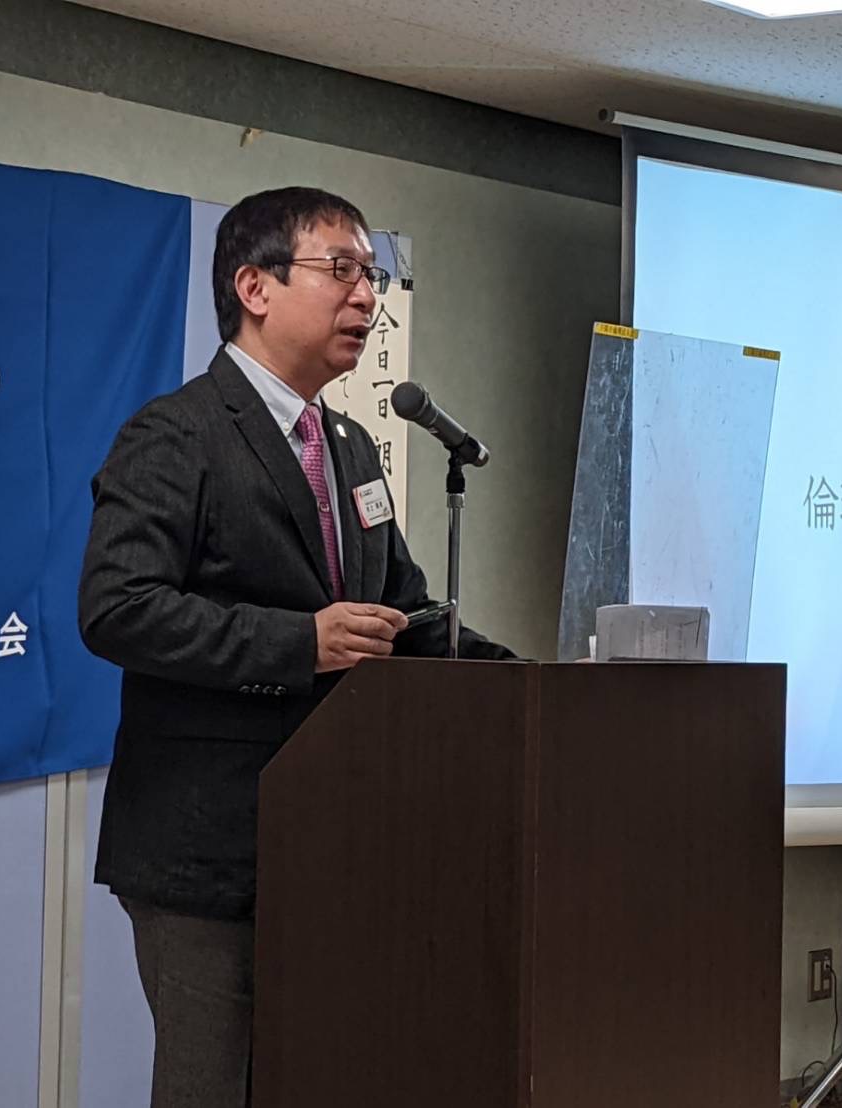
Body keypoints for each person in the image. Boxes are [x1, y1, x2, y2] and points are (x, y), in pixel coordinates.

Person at [78, 186, 514, 1108]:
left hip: (330, 836)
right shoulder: (176, 433)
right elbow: (117, 609)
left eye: (372, 275)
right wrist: (298, 642)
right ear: (255, 287)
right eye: (341, 270)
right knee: (212, 1090)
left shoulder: (349, 446)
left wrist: (529, 679)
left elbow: (399, 611)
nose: (366, 296)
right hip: (206, 848)